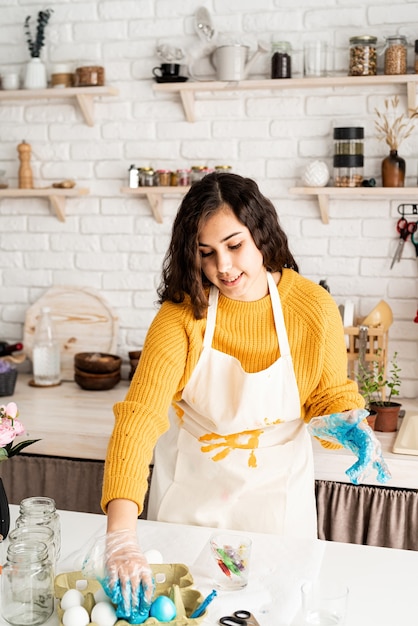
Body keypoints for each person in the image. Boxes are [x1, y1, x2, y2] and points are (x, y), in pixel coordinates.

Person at [100, 172, 364, 604]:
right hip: (192, 502)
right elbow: (140, 419)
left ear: (261, 232)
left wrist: (348, 424)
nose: (222, 266)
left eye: (234, 245)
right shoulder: (181, 317)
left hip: (276, 507)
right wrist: (121, 538)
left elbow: (326, 395)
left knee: (272, 608)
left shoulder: (313, 308)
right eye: (206, 253)